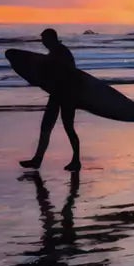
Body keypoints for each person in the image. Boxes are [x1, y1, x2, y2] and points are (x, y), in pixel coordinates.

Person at [19, 27, 81, 171]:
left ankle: (76, 160)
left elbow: (66, 74)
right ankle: (37, 160)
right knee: (46, 127)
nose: (42, 42)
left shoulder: (61, 53)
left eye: (44, 40)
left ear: (50, 39)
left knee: (68, 128)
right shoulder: (55, 52)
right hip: (57, 94)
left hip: (67, 96)